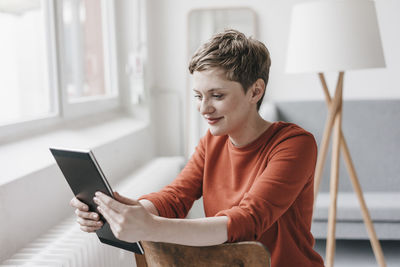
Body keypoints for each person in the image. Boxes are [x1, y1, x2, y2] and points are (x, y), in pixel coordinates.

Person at [70, 29, 325, 266]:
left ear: (255, 91)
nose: (204, 109)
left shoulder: (294, 144)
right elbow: (176, 197)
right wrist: (124, 211)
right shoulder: (213, 141)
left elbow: (248, 221)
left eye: (217, 96)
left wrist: (148, 226)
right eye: (198, 96)